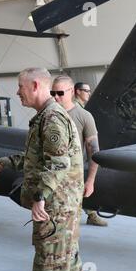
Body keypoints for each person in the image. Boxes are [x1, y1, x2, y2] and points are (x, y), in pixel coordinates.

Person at [0, 68, 89, 271]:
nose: (17, 92)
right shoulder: (45, 116)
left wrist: (40, 198)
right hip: (63, 212)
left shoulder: (52, 117)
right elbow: (38, 157)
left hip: (55, 212)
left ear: (35, 85)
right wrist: (3, 163)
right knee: (71, 270)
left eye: (20, 86)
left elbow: (58, 162)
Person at [53, 76, 107, 226]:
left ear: (70, 92)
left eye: (60, 93)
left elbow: (93, 149)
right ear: (76, 91)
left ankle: (91, 213)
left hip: (71, 178)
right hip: (51, 178)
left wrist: (90, 180)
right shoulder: (48, 114)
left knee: (67, 227)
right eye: (53, 93)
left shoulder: (83, 115)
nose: (56, 97)